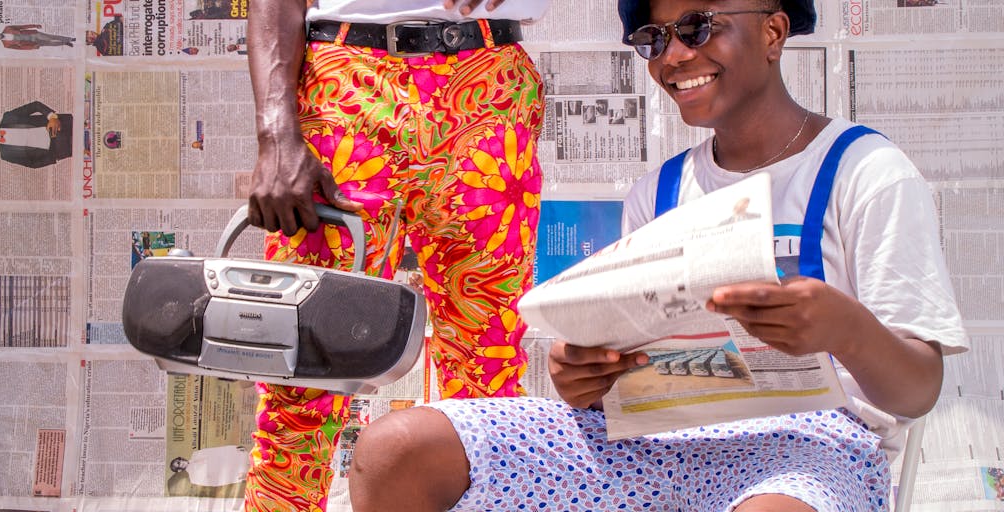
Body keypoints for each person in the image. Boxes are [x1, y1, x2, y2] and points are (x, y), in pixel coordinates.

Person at [346, 1, 970, 510]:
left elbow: (917, 390)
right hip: (655, 445)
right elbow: (647, 380)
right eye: (654, 38)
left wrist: (844, 328)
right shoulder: (659, 192)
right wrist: (585, 378)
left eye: (699, 26)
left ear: (774, 31)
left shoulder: (866, 172)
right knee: (396, 449)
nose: (674, 55)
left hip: (813, 450)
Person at [242, 0, 548, 510]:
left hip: (489, 88)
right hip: (346, 86)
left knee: (488, 369)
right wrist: (276, 133)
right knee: (302, 365)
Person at [0, 101, 73, 169]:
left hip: (63, 125)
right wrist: (54, 156)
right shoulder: (5, 155)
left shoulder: (8, 117)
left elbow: (35, 106)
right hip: (61, 148)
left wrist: (52, 117)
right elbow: (32, 164)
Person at [0, 24, 75, 49]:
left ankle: (70, 39)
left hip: (33, 34)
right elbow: (21, 48)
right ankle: (65, 43)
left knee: (51, 37)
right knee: (50, 44)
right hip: (32, 42)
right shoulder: (6, 45)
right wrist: (32, 47)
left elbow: (22, 27)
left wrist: (34, 25)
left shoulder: (7, 28)